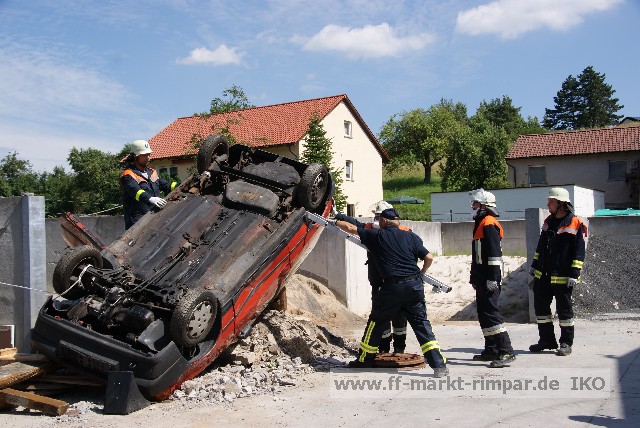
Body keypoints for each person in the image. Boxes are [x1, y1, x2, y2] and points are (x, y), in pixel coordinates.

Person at [336, 208, 448, 377]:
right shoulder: (411, 236)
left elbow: (351, 228)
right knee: (422, 325)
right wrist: (422, 273)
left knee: (376, 322)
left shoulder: (378, 236)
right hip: (415, 286)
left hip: (392, 287)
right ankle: (439, 366)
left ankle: (364, 360)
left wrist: (335, 221)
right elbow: (429, 257)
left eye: (379, 219)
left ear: (384, 221)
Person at [335, 201, 409, 354]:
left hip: (396, 282)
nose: (377, 219)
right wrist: (337, 215)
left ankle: (399, 347)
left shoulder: (404, 232)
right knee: (382, 317)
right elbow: (354, 224)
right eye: (376, 216)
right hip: (379, 283)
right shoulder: (371, 230)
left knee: (399, 316)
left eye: (380, 216)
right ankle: (384, 348)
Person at [530, 187, 587, 356]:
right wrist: (534, 264)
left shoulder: (575, 222)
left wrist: (575, 273)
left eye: (551, 201)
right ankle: (547, 340)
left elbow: (579, 252)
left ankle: (566, 343)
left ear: (561, 204)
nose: (548, 204)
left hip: (562, 276)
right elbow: (541, 245)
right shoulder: (548, 221)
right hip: (543, 275)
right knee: (541, 309)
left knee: (564, 311)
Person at [468, 189, 515, 368]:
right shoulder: (481, 223)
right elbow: (478, 256)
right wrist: (474, 278)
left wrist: (493, 278)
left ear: (484, 206)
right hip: (482, 277)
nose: (472, 206)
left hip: (489, 278)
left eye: (475, 203)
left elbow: (494, 255)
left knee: (491, 313)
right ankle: (492, 349)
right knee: (484, 314)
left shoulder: (488, 223)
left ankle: (506, 350)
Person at [120, 139, 176, 229]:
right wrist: (150, 198)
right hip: (137, 222)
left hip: (154, 218)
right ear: (135, 157)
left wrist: (180, 185)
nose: (148, 158)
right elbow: (135, 191)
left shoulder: (152, 172)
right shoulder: (128, 175)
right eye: (144, 155)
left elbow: (166, 186)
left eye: (148, 154)